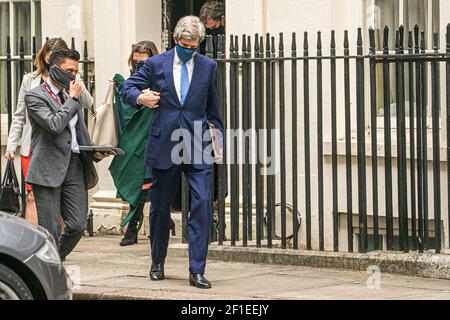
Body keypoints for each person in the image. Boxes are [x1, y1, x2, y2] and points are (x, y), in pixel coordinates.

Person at [120, 16, 224, 289]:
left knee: (202, 204)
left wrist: (219, 138)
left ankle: (197, 270)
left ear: (199, 43)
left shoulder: (208, 67)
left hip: (197, 143)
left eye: (194, 45)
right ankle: (157, 261)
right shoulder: (156, 64)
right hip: (164, 142)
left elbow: (214, 107)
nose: (189, 49)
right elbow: (127, 88)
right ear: (175, 39)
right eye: (184, 44)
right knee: (160, 207)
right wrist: (141, 97)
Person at [24, 49, 108, 261]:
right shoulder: (35, 96)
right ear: (54, 69)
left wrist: (94, 152)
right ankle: (50, 271)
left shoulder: (73, 96)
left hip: (74, 166)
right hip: (47, 169)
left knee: (78, 225)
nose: (74, 75)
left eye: (76, 71)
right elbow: (54, 124)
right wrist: (72, 99)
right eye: (69, 70)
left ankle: (49, 262)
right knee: (50, 229)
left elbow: (79, 132)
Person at [4, 38, 92, 225]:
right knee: (33, 199)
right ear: (46, 58)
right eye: (48, 56)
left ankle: (54, 245)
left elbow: (87, 106)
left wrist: (78, 86)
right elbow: (20, 114)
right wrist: (12, 144)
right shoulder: (31, 82)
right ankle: (38, 242)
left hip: (70, 156)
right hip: (38, 148)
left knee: (69, 216)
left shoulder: (73, 85)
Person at [109, 41, 175, 247]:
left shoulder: (162, 77)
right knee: (139, 181)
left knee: (153, 184)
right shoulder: (132, 82)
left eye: (143, 63)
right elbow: (127, 101)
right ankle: (139, 226)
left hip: (157, 137)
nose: (138, 67)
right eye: (135, 63)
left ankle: (142, 225)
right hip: (135, 139)